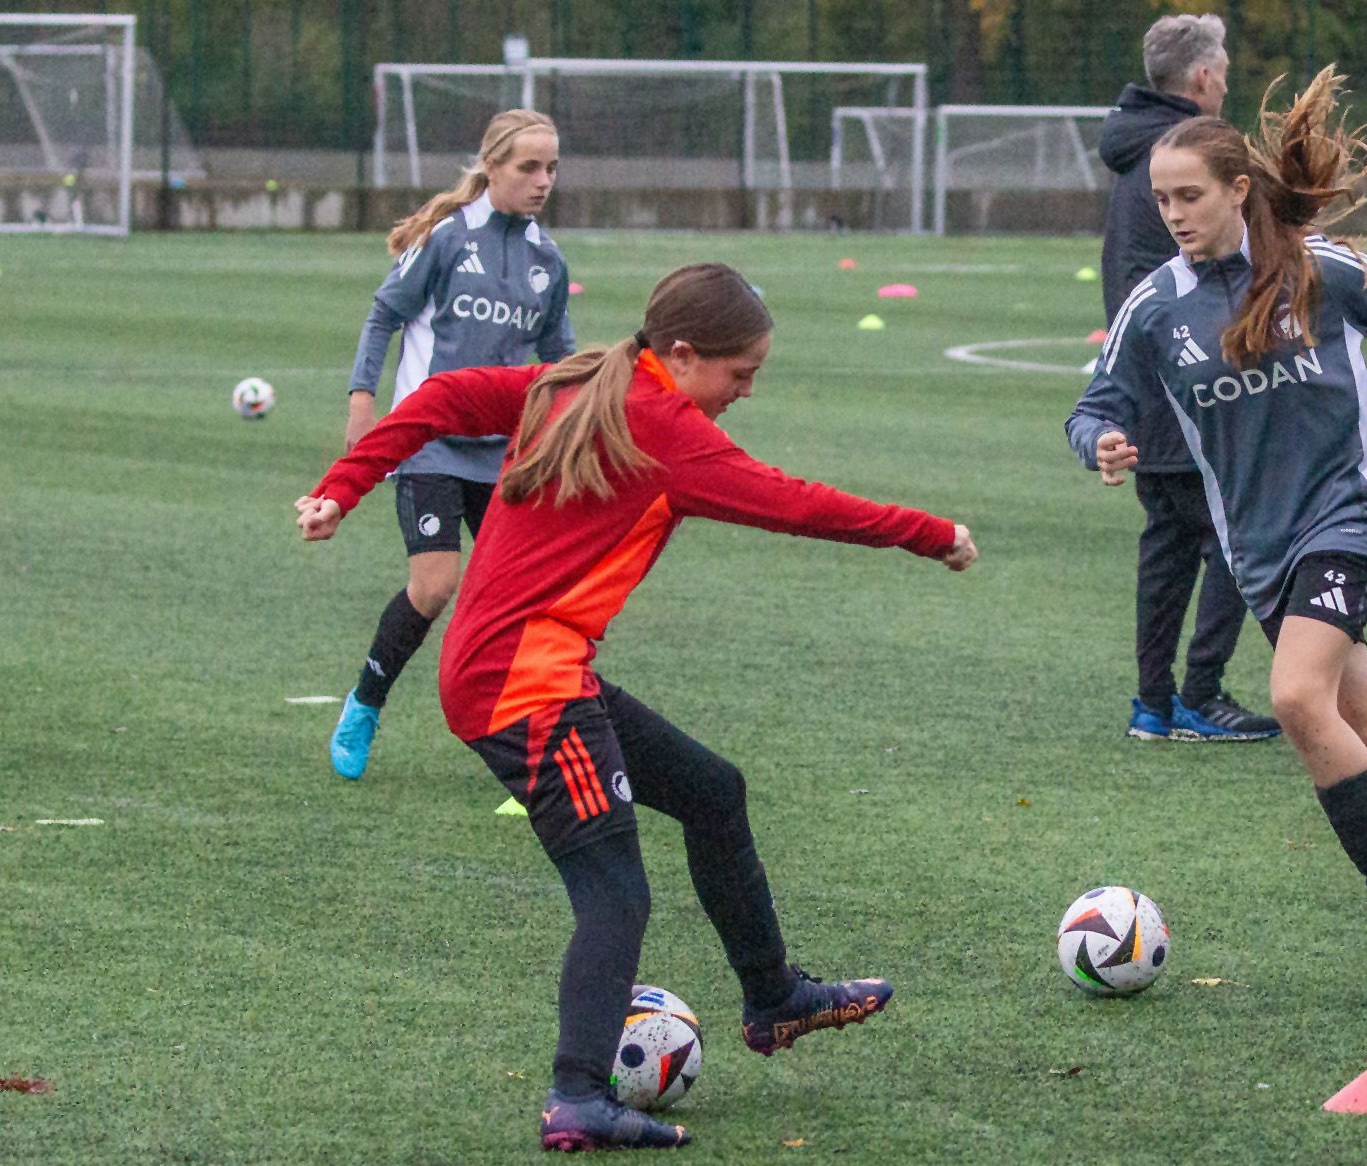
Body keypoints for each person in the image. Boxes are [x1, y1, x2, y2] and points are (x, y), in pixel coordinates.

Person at [296, 264, 979, 1151]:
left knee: (710, 790)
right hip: (525, 681)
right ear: (684, 355)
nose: (746, 391)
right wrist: (932, 534)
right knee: (614, 893)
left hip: (527, 666)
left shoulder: (580, 380)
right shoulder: (665, 427)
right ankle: (576, 1094)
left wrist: (341, 489)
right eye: (739, 375)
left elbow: (443, 398)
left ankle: (774, 998)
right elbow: (797, 505)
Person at [1068, 69, 1367, 1003]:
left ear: (1240, 189)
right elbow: (1092, 405)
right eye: (1160, 200)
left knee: (1294, 700)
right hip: (1260, 548)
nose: (1173, 214)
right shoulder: (1154, 307)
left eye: (1189, 195)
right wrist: (1100, 443)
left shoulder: (1319, 270)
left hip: (1351, 516)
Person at [329, 109, 576, 780]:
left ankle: (537, 746)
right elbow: (385, 314)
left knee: (526, 603)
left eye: (551, 167)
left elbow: (562, 362)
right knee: (435, 585)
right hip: (431, 443)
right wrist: (362, 399)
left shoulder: (547, 260)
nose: (542, 180)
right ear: (492, 166)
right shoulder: (445, 239)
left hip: (506, 455)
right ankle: (366, 701)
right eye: (528, 167)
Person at [1095, 12, 1279, 743]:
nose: (1226, 85)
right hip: (1192, 384)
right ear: (1203, 79)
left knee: (1169, 543)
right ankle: (1199, 696)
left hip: (1149, 382)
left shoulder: (1136, 148)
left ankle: (1153, 703)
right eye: (1226, 74)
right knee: (1241, 540)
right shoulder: (1188, 160)